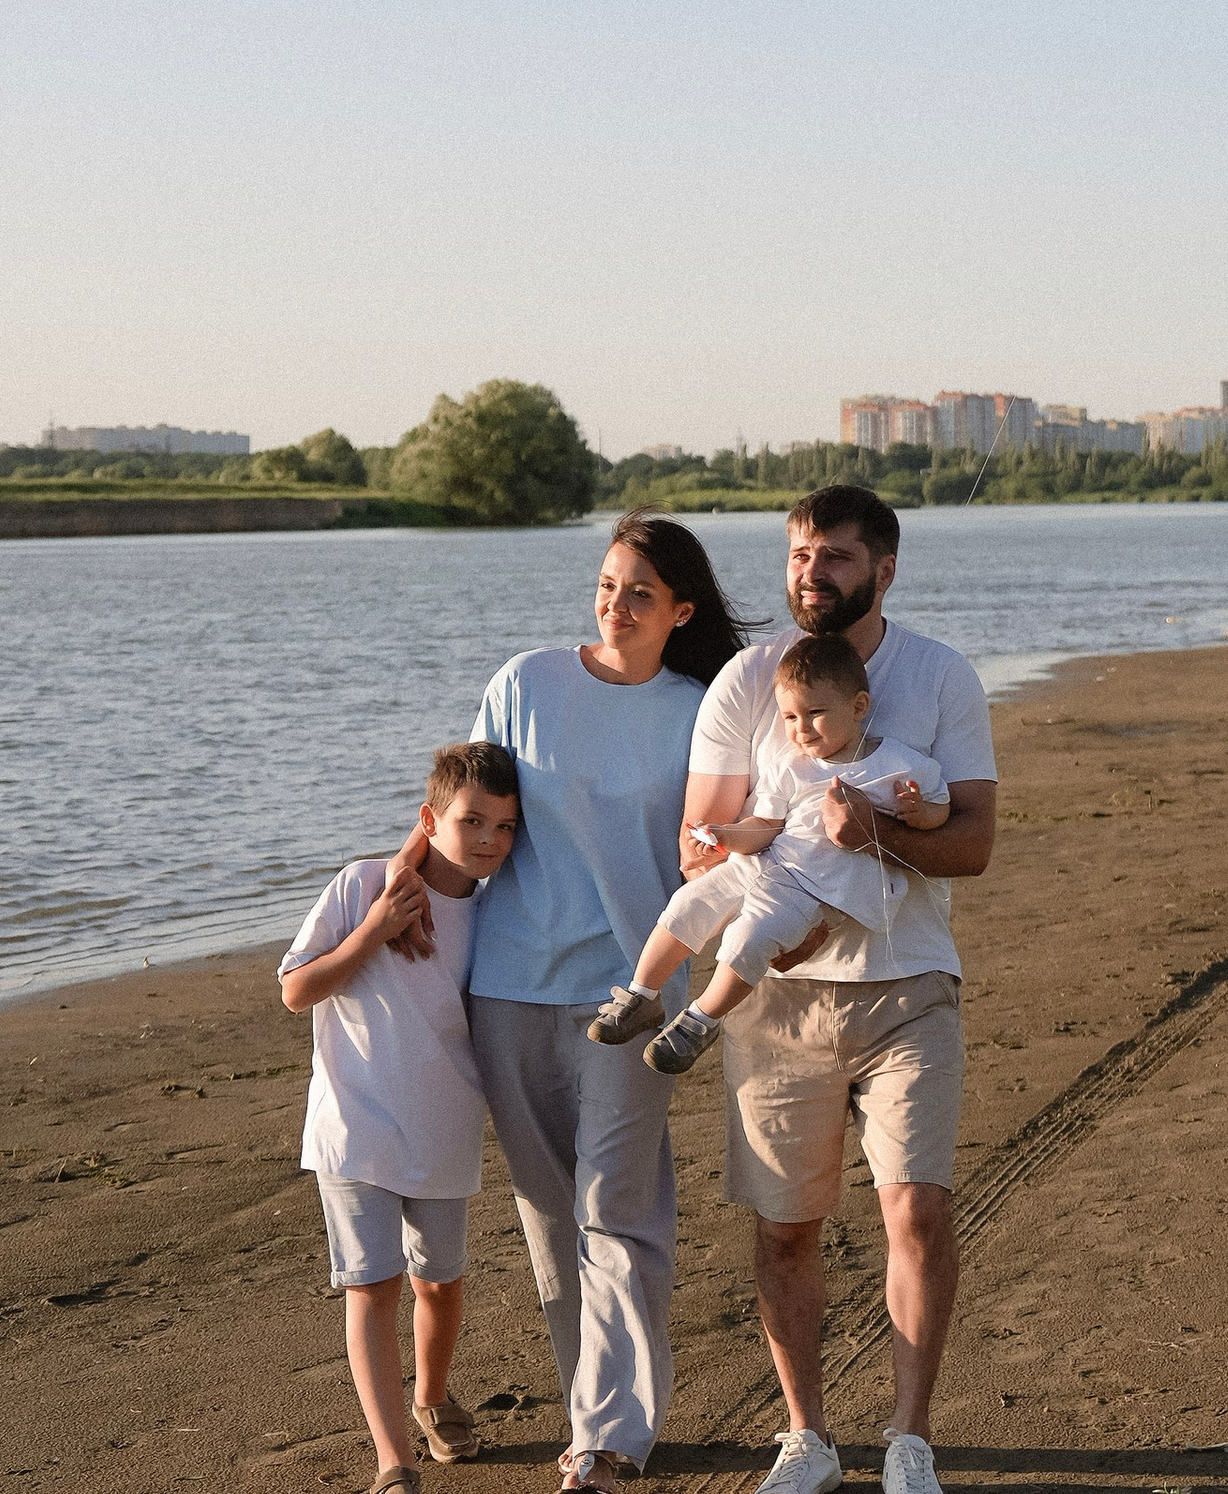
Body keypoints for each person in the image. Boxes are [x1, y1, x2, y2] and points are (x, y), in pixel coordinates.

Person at [393, 512, 753, 1494]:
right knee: (552, 1220)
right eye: (606, 583)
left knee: (618, 1212)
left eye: (640, 590)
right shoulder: (525, 683)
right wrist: (398, 881)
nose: (616, 603)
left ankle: (607, 1436)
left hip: (631, 996)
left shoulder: (699, 707)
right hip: (508, 988)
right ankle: (589, 1409)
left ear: (681, 609)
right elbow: (466, 814)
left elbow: (731, 834)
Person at [682, 486, 999, 1494]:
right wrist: (762, 926)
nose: (813, 572)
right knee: (784, 1224)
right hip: (778, 1001)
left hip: (910, 984)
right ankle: (806, 1439)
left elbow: (974, 843)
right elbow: (700, 845)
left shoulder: (940, 676)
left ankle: (908, 1439)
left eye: (838, 557)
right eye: (801, 555)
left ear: (884, 569)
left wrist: (883, 836)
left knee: (915, 1212)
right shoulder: (744, 680)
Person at [280, 740, 523, 1494]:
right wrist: (375, 928)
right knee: (372, 1285)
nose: (487, 839)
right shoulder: (361, 886)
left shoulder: (500, 915)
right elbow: (295, 990)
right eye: (471, 821)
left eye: (505, 827)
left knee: (440, 1284)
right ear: (429, 818)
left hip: (446, 1125)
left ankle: (431, 1392)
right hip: (354, 1124)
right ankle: (395, 1459)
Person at [588, 630, 949, 1070]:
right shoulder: (791, 765)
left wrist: (918, 811)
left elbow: (941, 808)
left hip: (812, 889)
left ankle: (700, 1019)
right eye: (790, 717)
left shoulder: (898, 764)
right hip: (765, 860)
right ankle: (642, 994)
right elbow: (765, 826)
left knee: (749, 937)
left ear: (858, 707)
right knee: (688, 903)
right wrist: (724, 835)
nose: (801, 729)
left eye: (815, 714)